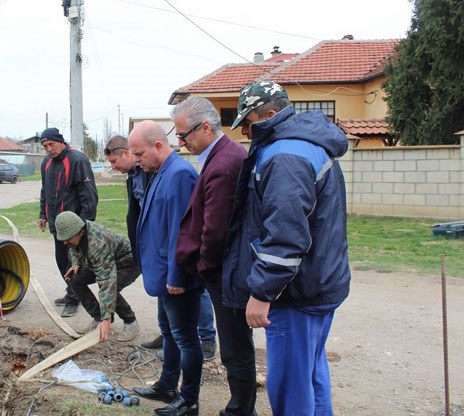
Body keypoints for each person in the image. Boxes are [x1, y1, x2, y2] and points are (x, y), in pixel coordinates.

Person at [223, 81, 351, 415]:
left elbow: (286, 235)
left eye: (249, 124)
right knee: (310, 376)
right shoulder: (308, 144)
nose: (248, 134)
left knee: (290, 387)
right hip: (319, 284)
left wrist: (262, 292)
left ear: (268, 114)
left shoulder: (285, 156)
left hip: (296, 294)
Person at [171, 96, 254, 416]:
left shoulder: (223, 163)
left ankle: (240, 410)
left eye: (184, 135)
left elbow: (215, 229)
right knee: (234, 344)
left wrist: (204, 265)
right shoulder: (218, 156)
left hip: (224, 271)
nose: (181, 142)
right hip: (221, 269)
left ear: (205, 127)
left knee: (235, 347)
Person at [105, 135, 218, 360]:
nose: (113, 167)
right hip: (152, 246)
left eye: (115, 162)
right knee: (162, 291)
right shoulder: (134, 176)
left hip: (169, 247)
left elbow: (178, 221)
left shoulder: (161, 172)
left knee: (194, 292)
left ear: (126, 153)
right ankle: (166, 336)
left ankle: (207, 338)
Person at [129, 120, 202, 416]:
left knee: (186, 338)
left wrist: (176, 275)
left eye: (139, 153)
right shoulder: (161, 171)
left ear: (159, 146)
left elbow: (182, 232)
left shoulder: (180, 174)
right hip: (164, 274)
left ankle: (189, 400)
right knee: (169, 333)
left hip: (177, 277)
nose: (136, 160)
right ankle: (167, 386)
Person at [37, 127, 99, 318]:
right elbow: (44, 191)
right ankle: (72, 292)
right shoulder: (46, 163)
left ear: (61, 142)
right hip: (57, 225)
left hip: (75, 227)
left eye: (51, 144)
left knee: (75, 263)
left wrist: (85, 225)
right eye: (45, 146)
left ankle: (74, 298)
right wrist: (43, 214)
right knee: (61, 260)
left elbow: (89, 195)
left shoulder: (77, 160)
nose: (48, 149)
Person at [55, 210, 141, 342]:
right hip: (103, 262)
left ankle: (131, 322)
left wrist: (108, 318)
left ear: (80, 231)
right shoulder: (78, 233)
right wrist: (76, 262)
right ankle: (98, 318)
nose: (65, 242)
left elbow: (107, 281)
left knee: (112, 288)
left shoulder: (97, 243)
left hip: (127, 264)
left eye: (68, 239)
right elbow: (73, 248)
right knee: (74, 279)